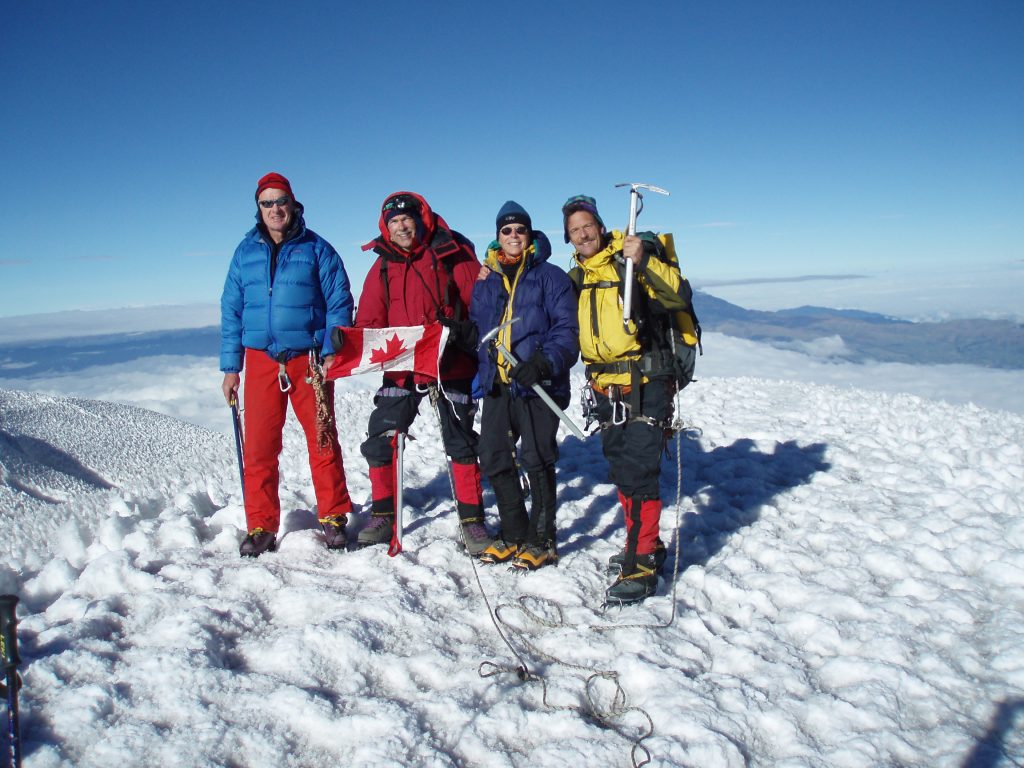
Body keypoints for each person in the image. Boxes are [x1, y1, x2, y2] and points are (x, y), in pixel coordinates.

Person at [563, 194, 694, 602]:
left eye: (587, 225)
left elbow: (678, 297)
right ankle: (646, 544)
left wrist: (646, 260)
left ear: (601, 227)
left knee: (639, 471)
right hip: (604, 387)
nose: (583, 234)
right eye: (574, 230)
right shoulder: (577, 278)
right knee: (622, 468)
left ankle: (642, 564)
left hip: (645, 381)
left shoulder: (630, 260)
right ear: (569, 239)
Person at [220, 172, 355, 558]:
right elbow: (232, 310)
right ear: (258, 209)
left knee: (322, 440)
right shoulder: (244, 252)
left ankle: (333, 517)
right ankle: (261, 524)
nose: (275, 209)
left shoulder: (317, 249)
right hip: (260, 360)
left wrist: (331, 348)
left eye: (282, 201)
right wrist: (231, 368)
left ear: (294, 205)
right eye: (267, 203)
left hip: (308, 359)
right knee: (260, 447)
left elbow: (339, 302)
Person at [353, 191, 492, 555]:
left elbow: (477, 304)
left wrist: (466, 332)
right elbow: (370, 319)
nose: (401, 226)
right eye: (393, 221)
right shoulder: (382, 265)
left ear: (420, 219)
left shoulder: (450, 252)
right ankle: (383, 514)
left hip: (451, 362)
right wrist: (350, 342)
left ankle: (471, 520)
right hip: (402, 367)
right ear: (386, 226)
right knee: (382, 435)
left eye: (406, 218)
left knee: (460, 439)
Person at [469, 202, 578, 570]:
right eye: (506, 230)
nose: (513, 236)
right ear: (497, 236)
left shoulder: (550, 276)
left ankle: (542, 539)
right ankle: (514, 533)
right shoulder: (487, 280)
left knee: (537, 457)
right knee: (494, 456)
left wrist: (543, 363)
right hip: (498, 384)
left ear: (530, 235)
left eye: (520, 229)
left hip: (537, 384)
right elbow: (479, 327)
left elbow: (567, 329)